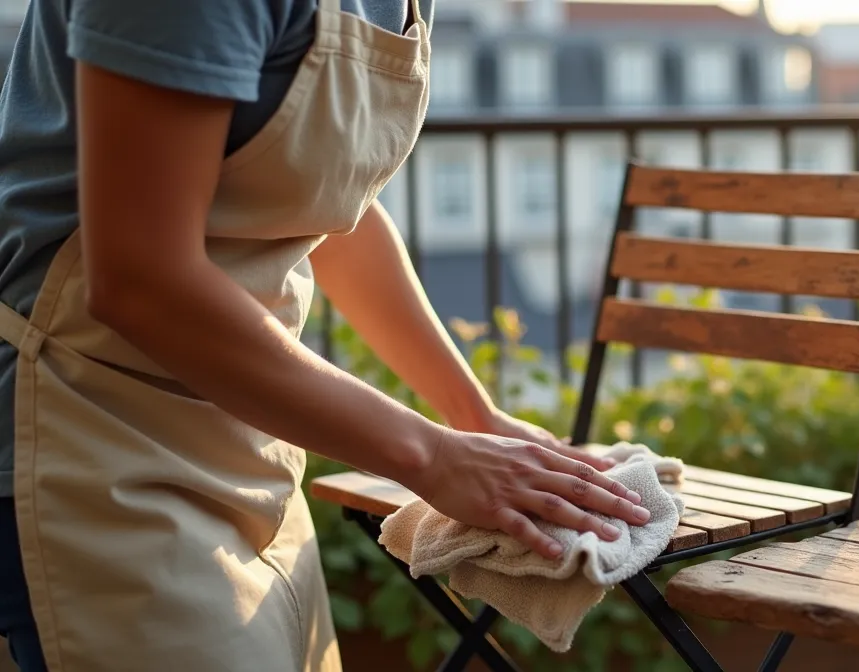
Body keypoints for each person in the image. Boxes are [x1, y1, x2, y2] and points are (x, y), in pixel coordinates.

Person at [0, 1, 653, 670]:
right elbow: (141, 278)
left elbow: (326, 201)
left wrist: (473, 416)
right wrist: (435, 457)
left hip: (252, 438)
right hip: (91, 435)